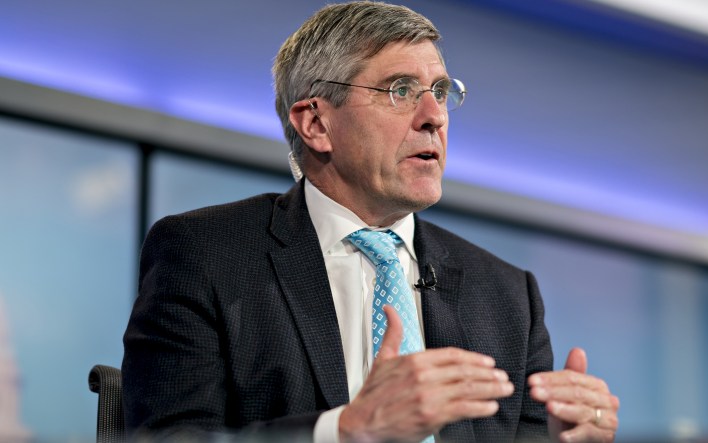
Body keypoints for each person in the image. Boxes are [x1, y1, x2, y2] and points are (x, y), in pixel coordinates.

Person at [122, 2, 620, 442]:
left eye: (441, 91)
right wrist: (344, 432)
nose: (434, 117)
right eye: (400, 90)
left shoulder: (509, 296)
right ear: (316, 124)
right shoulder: (205, 253)